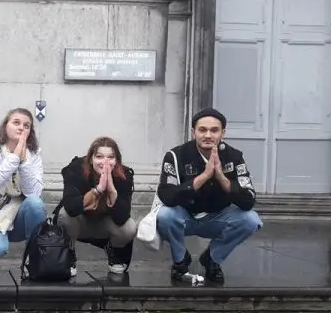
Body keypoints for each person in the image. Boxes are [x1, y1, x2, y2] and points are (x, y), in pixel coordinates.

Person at [156, 107, 262, 283]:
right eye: (202, 130)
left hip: (217, 217)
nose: (208, 135)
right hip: (185, 216)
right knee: (165, 216)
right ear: (193, 132)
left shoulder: (234, 157)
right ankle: (180, 261)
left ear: (223, 133)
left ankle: (212, 259)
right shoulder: (175, 155)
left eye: (214, 130)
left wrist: (221, 177)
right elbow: (166, 196)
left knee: (251, 220)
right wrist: (204, 177)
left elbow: (248, 200)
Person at [0, 108, 47, 270]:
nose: (21, 128)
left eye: (26, 125)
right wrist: (14, 158)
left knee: (35, 204)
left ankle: (32, 257)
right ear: (5, 126)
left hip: (18, 215)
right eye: (16, 123)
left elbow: (34, 193)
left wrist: (24, 161)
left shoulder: (34, 154)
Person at [58, 137, 137, 276]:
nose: (105, 162)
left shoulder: (124, 175)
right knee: (64, 215)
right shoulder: (76, 169)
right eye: (99, 157)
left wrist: (111, 189)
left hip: (106, 224)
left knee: (129, 227)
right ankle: (68, 252)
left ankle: (115, 250)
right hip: (80, 221)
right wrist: (98, 190)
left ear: (117, 160)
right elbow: (70, 206)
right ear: (91, 159)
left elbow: (122, 216)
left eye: (110, 157)